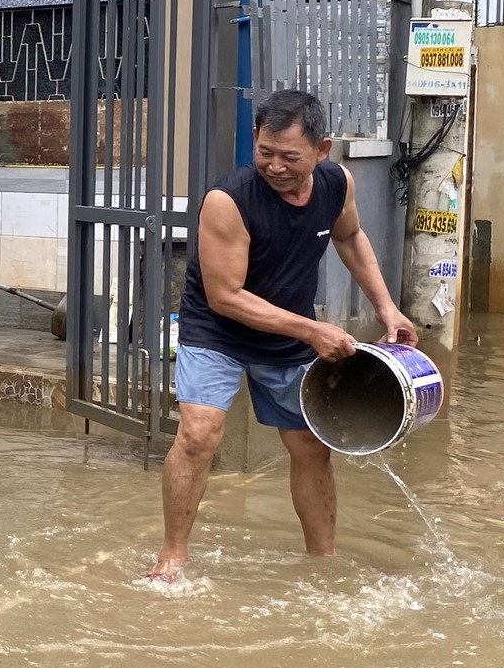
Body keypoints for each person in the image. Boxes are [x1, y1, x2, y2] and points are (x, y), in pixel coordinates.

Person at [148, 89, 418, 581]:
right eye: (265, 152)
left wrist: (387, 308)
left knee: (312, 447)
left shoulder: (337, 185)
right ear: (254, 140)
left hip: (288, 333)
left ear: (322, 150)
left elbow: (351, 237)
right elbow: (224, 296)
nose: (275, 166)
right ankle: (172, 556)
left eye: (290, 156)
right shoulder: (227, 202)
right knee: (197, 435)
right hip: (218, 332)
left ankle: (322, 562)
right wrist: (313, 329)